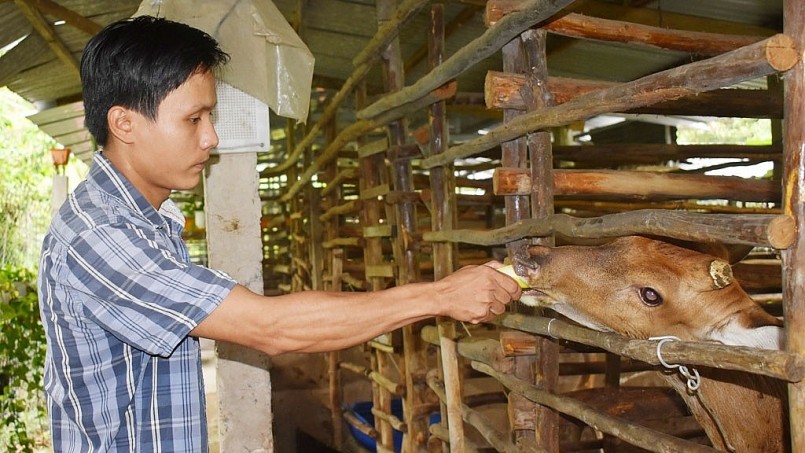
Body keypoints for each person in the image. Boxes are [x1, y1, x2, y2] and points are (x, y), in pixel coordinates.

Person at [37, 15, 520, 452]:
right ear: (124, 123)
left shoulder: (147, 221)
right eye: (193, 119)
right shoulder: (99, 235)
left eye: (210, 117)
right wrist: (441, 296)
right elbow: (271, 328)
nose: (211, 137)